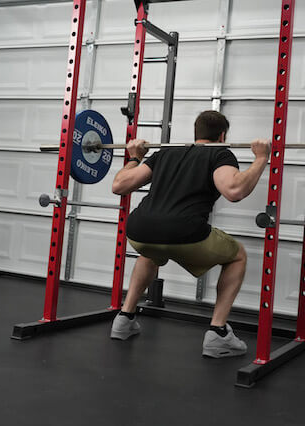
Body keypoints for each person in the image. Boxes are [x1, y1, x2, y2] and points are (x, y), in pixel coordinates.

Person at [108, 110, 270, 358]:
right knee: (238, 255)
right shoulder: (219, 153)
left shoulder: (166, 153)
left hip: (139, 230)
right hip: (185, 232)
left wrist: (134, 158)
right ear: (222, 135)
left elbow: (119, 185)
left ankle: (124, 318)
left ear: (196, 133)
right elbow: (234, 190)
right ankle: (218, 333)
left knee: (151, 252)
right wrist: (261, 158)